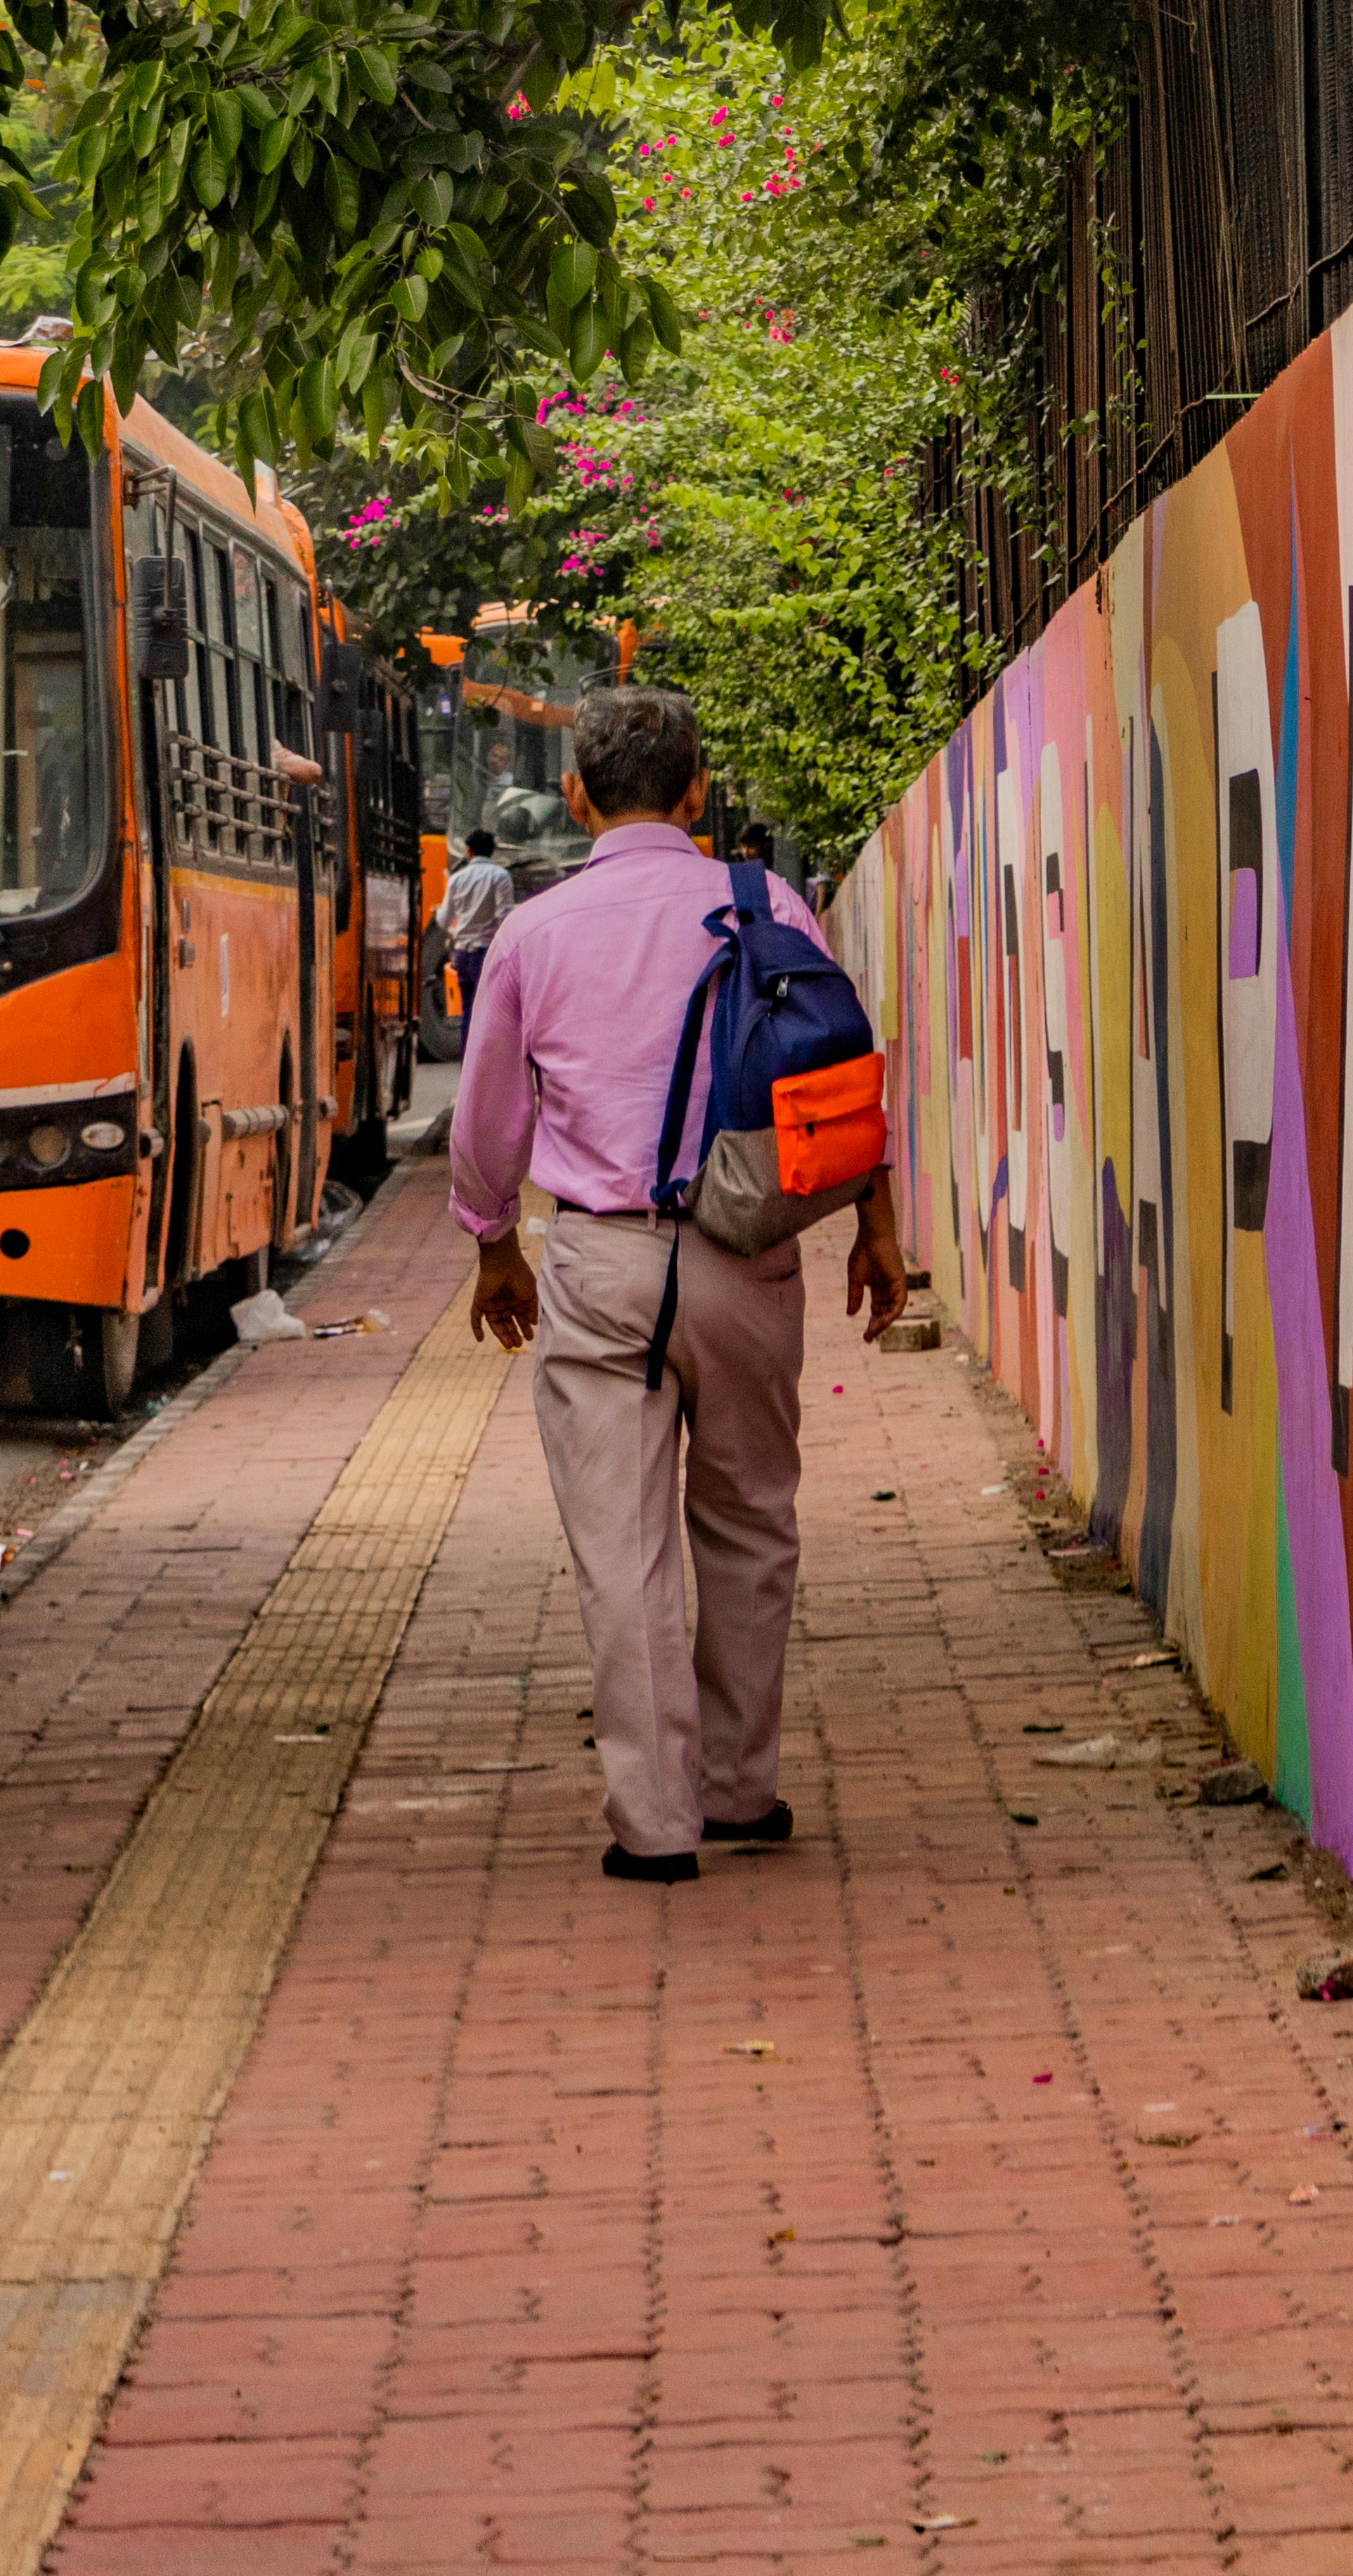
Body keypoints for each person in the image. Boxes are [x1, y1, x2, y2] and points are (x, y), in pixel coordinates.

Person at [449, 686, 910, 1884]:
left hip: (602, 1261)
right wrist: (875, 1223)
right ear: (700, 792)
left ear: (575, 795)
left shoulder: (534, 933)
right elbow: (839, 1072)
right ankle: (740, 1789)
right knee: (751, 1520)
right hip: (749, 1252)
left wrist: (494, 1241)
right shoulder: (768, 904)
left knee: (624, 1546)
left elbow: (486, 1118)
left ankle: (656, 1823)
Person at [436, 825, 515, 1014]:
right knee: (487, 1012)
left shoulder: (456, 879)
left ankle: (467, 1036)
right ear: (491, 852)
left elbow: (444, 920)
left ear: (469, 851)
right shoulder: (500, 876)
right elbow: (504, 918)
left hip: (462, 954)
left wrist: (438, 912)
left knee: (467, 1010)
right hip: (487, 953)